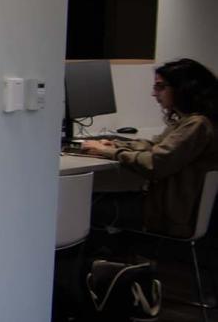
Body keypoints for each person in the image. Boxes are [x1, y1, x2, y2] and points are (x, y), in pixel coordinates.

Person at [79, 58, 218, 237]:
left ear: (184, 88)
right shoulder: (193, 120)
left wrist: (109, 152)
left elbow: (155, 164)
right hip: (171, 207)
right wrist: (116, 144)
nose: (154, 93)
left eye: (160, 87)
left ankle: (93, 260)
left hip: (166, 214)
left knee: (82, 205)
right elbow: (157, 146)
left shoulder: (197, 125)